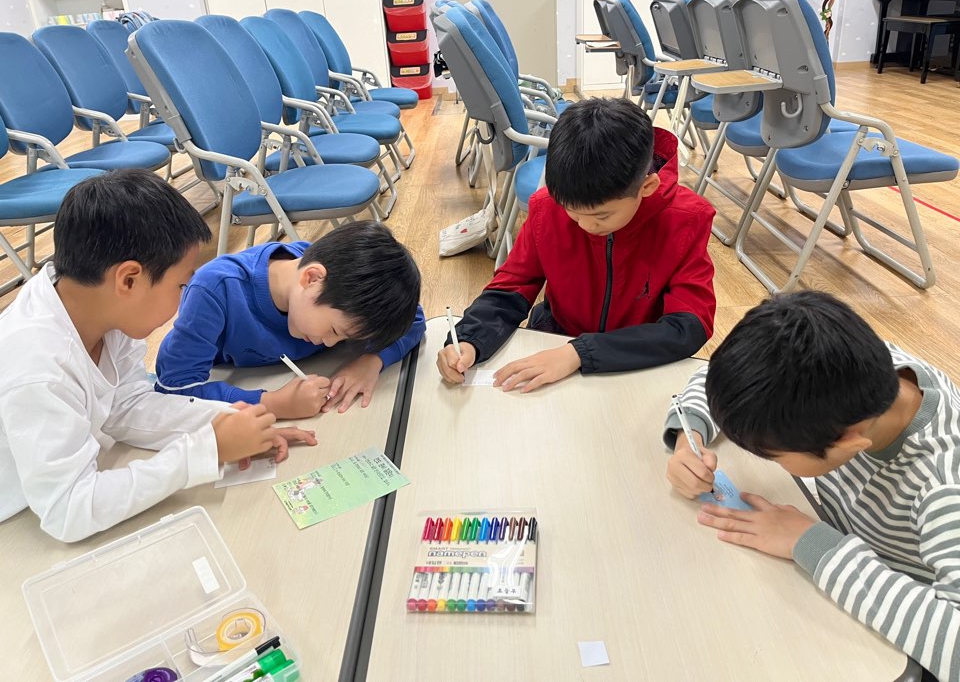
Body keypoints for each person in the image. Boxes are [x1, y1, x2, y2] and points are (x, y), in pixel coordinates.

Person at [0, 170, 315, 543]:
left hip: (49, 486)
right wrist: (204, 451)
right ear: (129, 280)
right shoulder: (38, 365)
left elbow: (127, 406)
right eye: (181, 284)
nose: (184, 297)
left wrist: (227, 424)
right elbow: (69, 510)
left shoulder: (101, 309)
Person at [664, 291, 960, 682]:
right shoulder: (862, 367)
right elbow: (720, 380)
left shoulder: (943, 487)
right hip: (846, 563)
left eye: (772, 455)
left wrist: (812, 543)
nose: (766, 459)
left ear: (848, 444)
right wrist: (690, 436)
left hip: (897, 645)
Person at [437, 97, 715, 392]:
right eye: (572, 212)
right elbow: (511, 287)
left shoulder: (687, 219)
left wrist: (580, 353)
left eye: (601, 216)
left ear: (646, 187)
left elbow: (688, 326)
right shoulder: (547, 208)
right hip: (556, 337)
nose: (585, 226)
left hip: (636, 356)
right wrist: (469, 339)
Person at [156, 221, 425, 417]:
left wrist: (372, 361)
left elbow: (414, 319)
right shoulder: (215, 290)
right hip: (232, 390)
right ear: (311, 279)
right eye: (334, 330)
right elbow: (175, 390)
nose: (330, 343)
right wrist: (273, 404)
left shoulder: (333, 278)